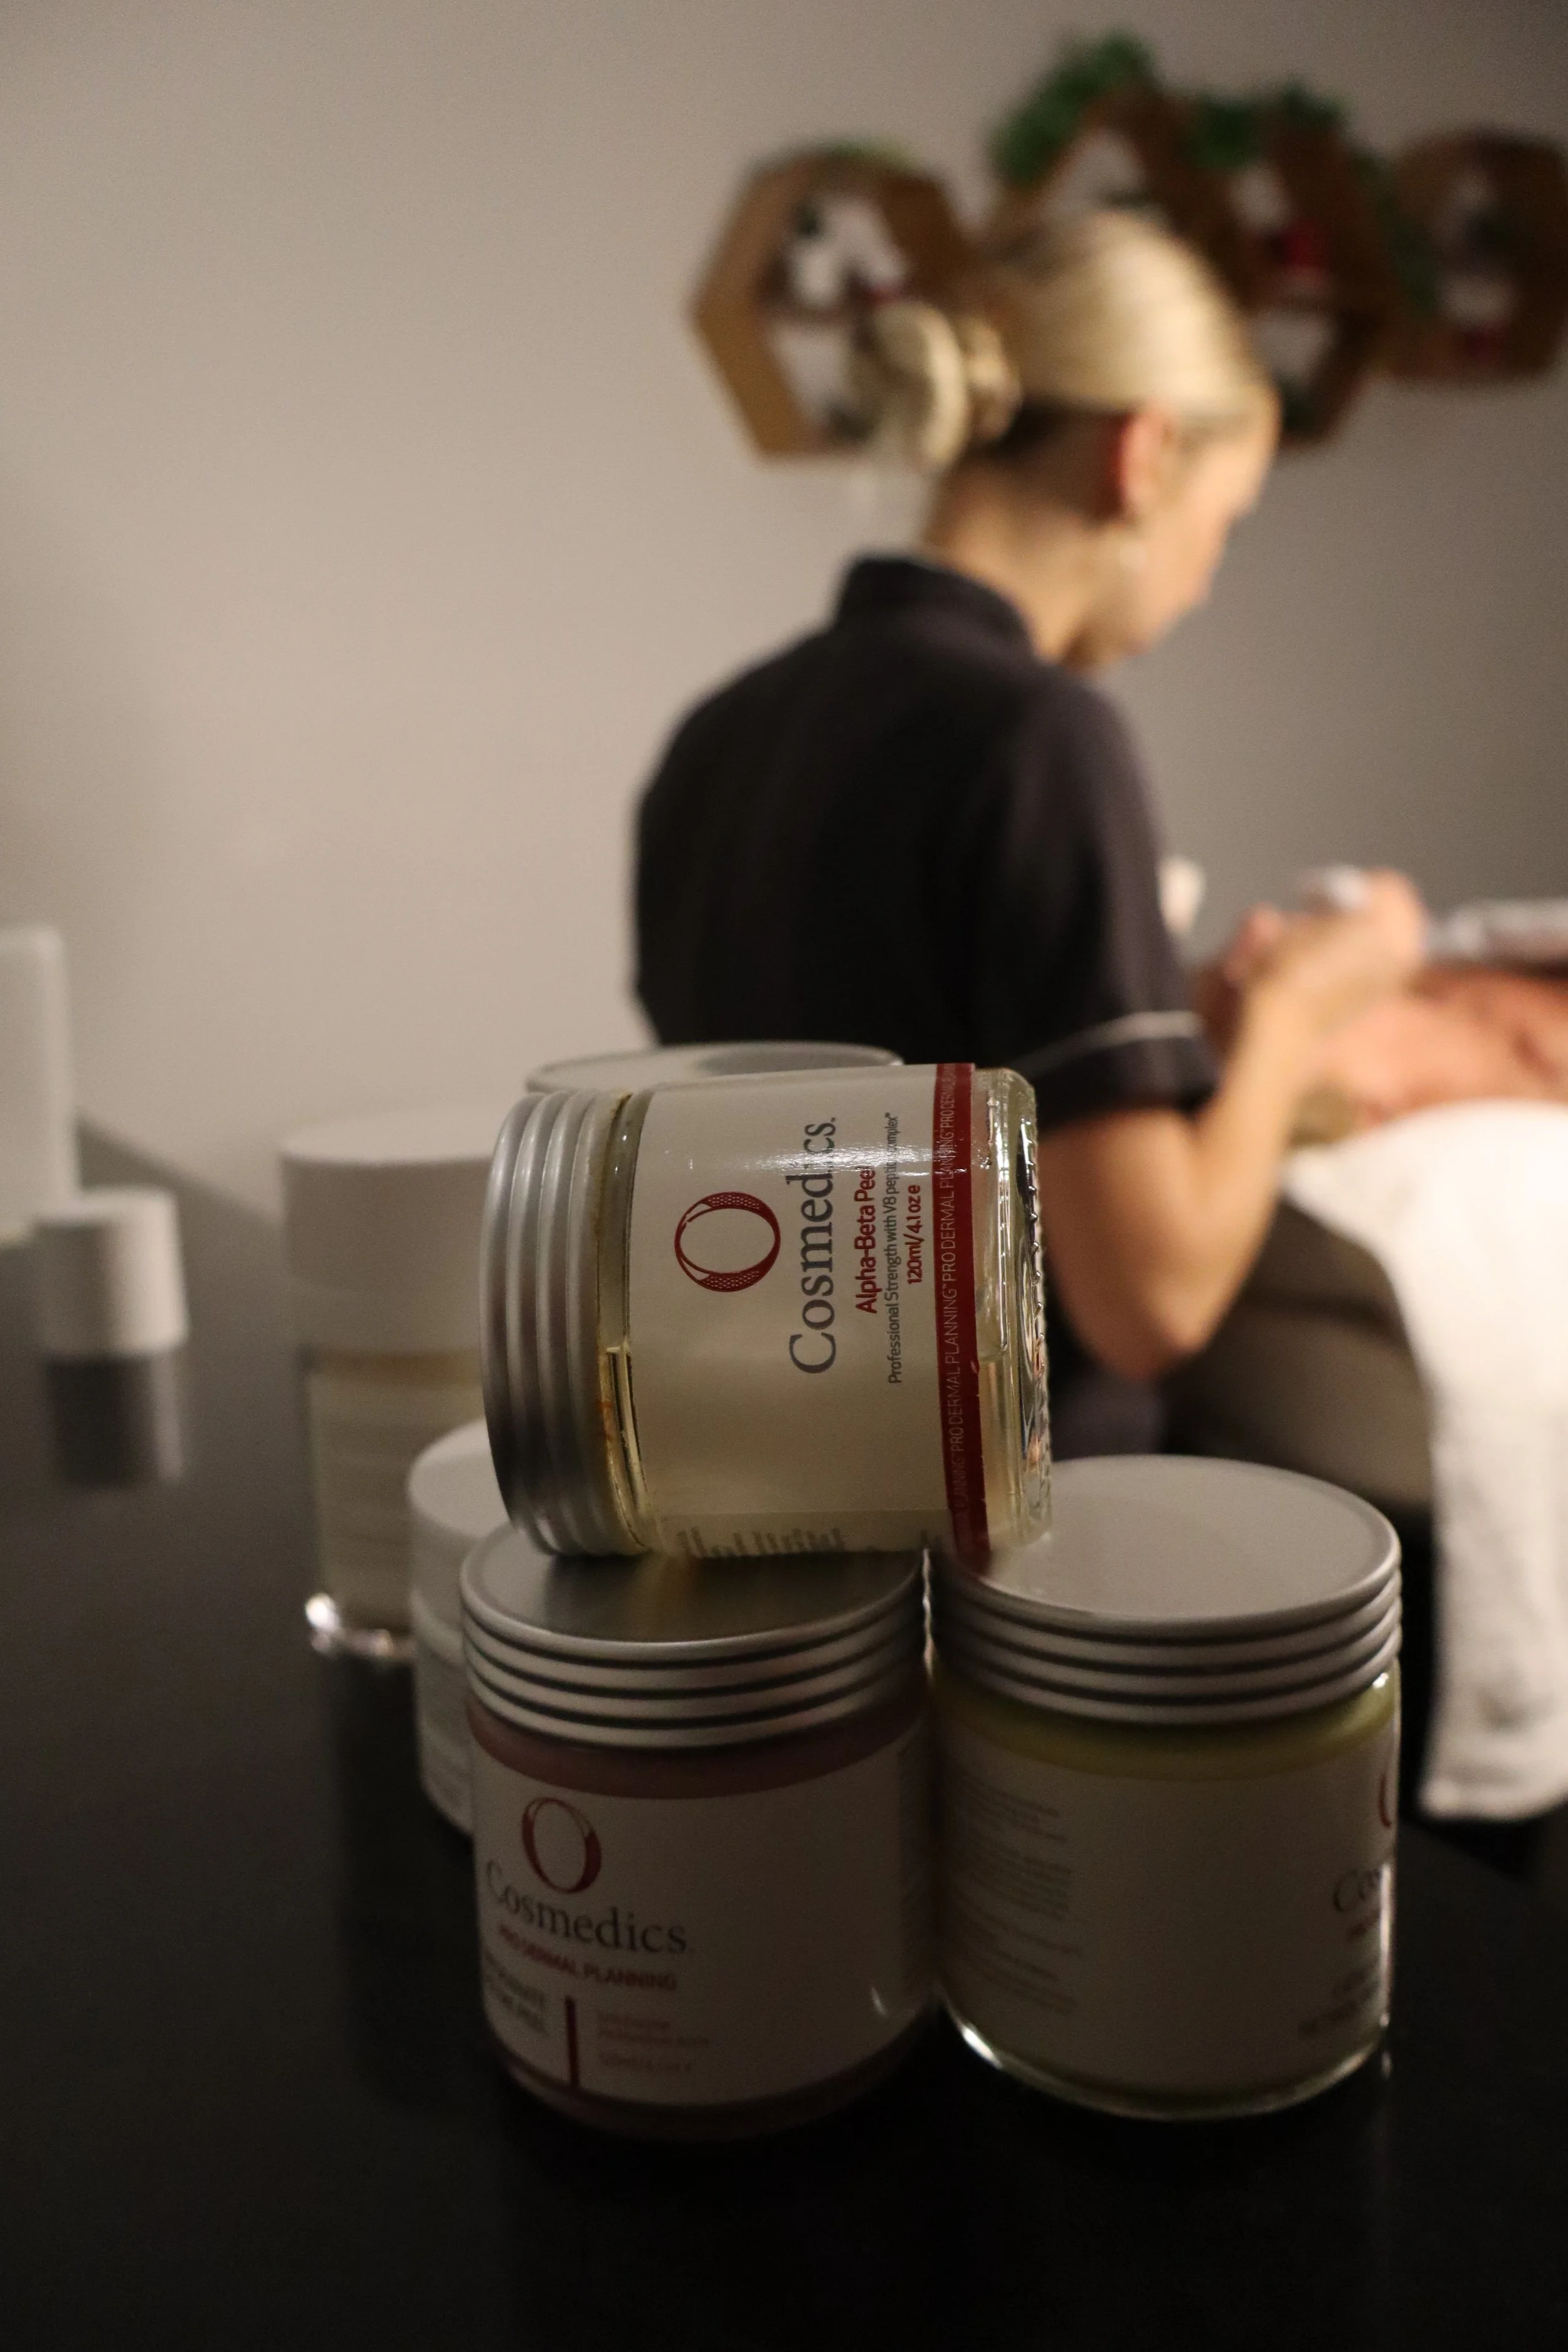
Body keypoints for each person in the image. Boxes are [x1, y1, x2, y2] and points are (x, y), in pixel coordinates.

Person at [635, 211, 1425, 1453]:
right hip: (1013, 1546)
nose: (1207, 577)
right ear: (1141, 456)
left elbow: (905, 1082)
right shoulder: (1040, 739)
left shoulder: (722, 734)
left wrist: (1169, 1033)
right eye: (1225, 521)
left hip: (783, 1484)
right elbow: (1149, 1301)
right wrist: (1289, 1013)